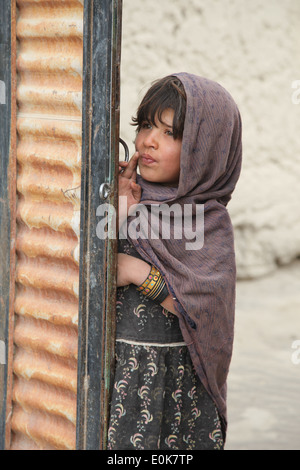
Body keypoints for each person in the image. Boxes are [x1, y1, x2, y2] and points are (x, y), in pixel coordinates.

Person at [107, 73, 242, 450]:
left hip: (176, 388)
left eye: (170, 133)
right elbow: (85, 272)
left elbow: (203, 309)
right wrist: (119, 209)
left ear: (206, 149)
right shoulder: (125, 197)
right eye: (147, 125)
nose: (149, 140)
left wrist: (136, 272)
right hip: (115, 378)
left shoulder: (207, 221)